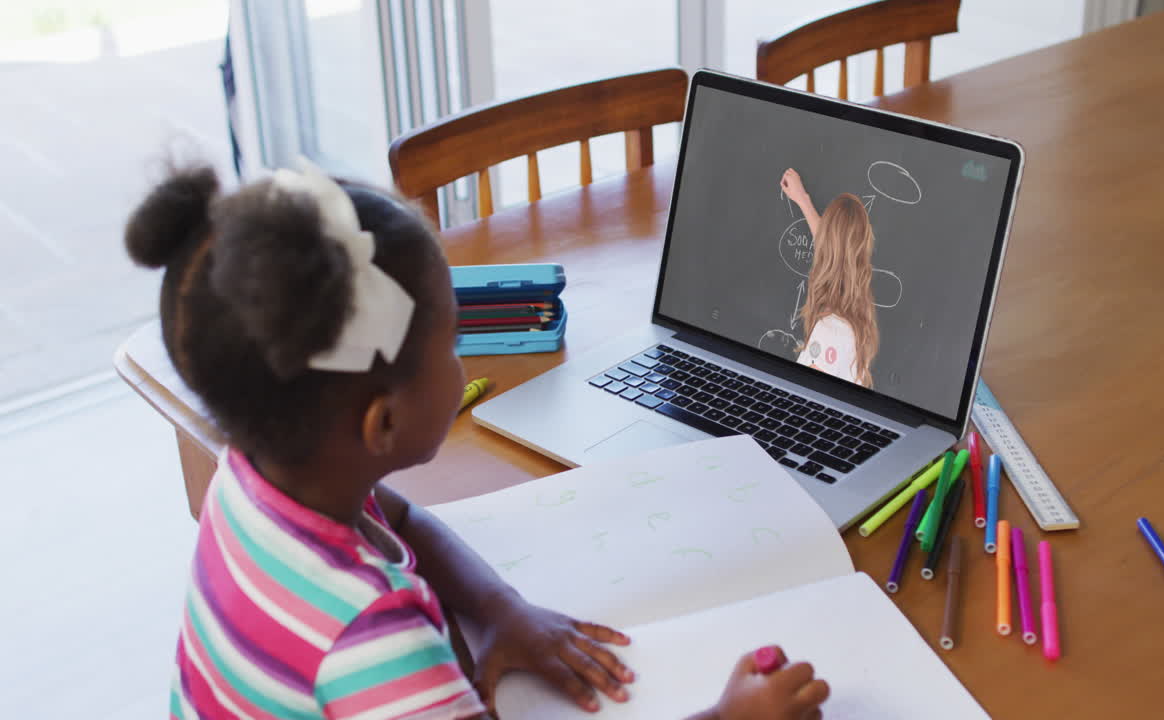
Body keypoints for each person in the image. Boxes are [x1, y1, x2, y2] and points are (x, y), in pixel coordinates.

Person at [126, 160, 830, 719]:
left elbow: (400, 519)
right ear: (383, 423)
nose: (466, 364)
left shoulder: (252, 480)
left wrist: (500, 610)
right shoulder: (377, 646)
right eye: (454, 343)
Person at [779, 168, 879, 388]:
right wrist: (803, 200)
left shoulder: (830, 332)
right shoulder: (855, 317)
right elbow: (834, 252)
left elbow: (805, 402)